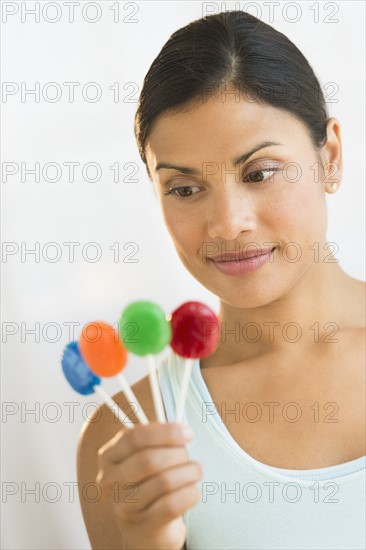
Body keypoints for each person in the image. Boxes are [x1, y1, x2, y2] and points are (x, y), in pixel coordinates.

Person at [77, 10, 365, 550]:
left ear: (330, 157)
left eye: (259, 173)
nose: (228, 223)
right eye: (185, 188)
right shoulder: (129, 433)